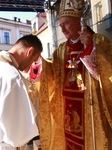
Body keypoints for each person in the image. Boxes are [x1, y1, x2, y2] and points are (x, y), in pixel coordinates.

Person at [38, 0, 112, 150]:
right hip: (67, 107)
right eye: (60, 24)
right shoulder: (61, 50)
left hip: (90, 107)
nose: (62, 28)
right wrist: (40, 64)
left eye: (65, 23)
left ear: (79, 21)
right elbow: (54, 74)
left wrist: (92, 48)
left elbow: (108, 72)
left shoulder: (99, 41)